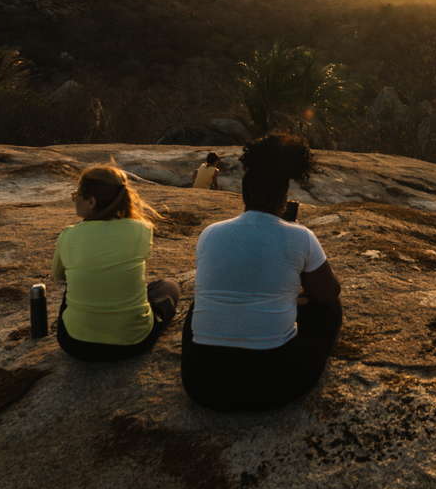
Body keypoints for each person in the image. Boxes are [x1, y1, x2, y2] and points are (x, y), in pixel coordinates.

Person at [181, 133, 342, 410]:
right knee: (330, 308)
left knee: (200, 303)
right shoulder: (300, 236)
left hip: (201, 384)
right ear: (283, 199)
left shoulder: (210, 233)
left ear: (244, 195)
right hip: (271, 387)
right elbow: (328, 292)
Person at [51, 165, 180, 362]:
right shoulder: (142, 229)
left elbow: (58, 276)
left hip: (75, 344)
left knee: (74, 282)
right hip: (133, 343)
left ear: (91, 201)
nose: (74, 199)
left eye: (77, 195)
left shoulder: (68, 235)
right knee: (168, 286)